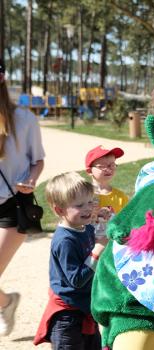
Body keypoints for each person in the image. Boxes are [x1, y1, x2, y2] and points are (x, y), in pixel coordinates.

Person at [34, 172, 107, 349]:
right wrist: (97, 251)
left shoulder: (84, 226)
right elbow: (76, 280)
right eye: (79, 205)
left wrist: (101, 221)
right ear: (59, 210)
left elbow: (95, 233)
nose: (88, 208)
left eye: (90, 202)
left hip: (84, 306)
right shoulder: (65, 240)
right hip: (67, 316)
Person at [0, 58, 45, 336]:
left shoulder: (25, 119)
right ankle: (6, 302)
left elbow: (38, 161)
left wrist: (31, 179)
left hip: (12, 205)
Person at [85, 145, 128, 237]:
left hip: (112, 243)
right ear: (89, 171)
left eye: (112, 164)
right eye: (102, 166)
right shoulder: (83, 195)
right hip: (88, 241)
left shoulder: (121, 197)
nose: (109, 168)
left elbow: (126, 221)